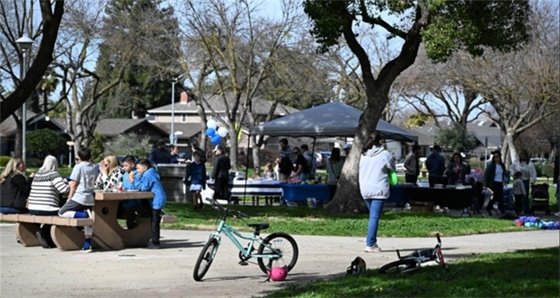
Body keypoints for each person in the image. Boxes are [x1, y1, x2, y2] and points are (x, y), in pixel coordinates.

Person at [359, 133, 395, 253]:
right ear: (380, 141)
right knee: (374, 217)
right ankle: (370, 243)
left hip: (365, 189)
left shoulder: (363, 155)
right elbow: (392, 167)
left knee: (373, 216)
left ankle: (372, 242)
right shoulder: (384, 154)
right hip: (378, 189)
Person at [58, 147, 99, 252]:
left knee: (62, 212)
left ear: (79, 157)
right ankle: (87, 245)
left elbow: (74, 184)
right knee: (88, 223)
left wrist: (69, 197)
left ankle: (83, 214)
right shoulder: (95, 167)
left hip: (79, 197)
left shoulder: (78, 167)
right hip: (90, 197)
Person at [27, 155, 69, 248]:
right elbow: (64, 190)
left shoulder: (38, 174)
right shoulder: (53, 175)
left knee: (53, 214)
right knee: (62, 212)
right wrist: (71, 185)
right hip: (47, 208)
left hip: (32, 208)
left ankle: (43, 234)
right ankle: (46, 234)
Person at [130, 159, 167, 249]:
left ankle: (155, 242)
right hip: (158, 199)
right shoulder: (150, 173)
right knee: (152, 219)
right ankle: (153, 240)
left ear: (145, 167)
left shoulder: (148, 175)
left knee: (154, 222)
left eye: (138, 168)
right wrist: (137, 176)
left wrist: (133, 180)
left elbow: (143, 188)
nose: (137, 170)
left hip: (157, 200)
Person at [120, 155, 146, 229]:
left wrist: (132, 180)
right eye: (123, 166)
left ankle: (132, 227)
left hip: (135, 200)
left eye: (126, 165)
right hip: (125, 200)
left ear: (132, 165)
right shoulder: (124, 174)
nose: (124, 167)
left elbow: (138, 187)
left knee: (130, 211)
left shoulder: (137, 174)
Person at [509, 150, 536, 214]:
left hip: (525, 181)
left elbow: (533, 173)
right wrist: (513, 175)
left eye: (524, 155)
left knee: (525, 196)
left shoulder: (529, 164)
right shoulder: (516, 163)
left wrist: (533, 180)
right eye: (521, 155)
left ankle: (525, 209)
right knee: (517, 196)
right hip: (517, 181)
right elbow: (511, 169)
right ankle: (518, 209)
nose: (522, 157)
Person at [483, 150, 508, 216]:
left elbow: (504, 174)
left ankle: (493, 209)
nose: (496, 158)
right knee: (495, 197)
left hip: (500, 183)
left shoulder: (502, 165)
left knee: (499, 198)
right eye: (495, 157)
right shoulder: (491, 166)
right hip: (493, 183)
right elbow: (486, 175)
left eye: (497, 157)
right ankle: (500, 210)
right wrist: (486, 185)